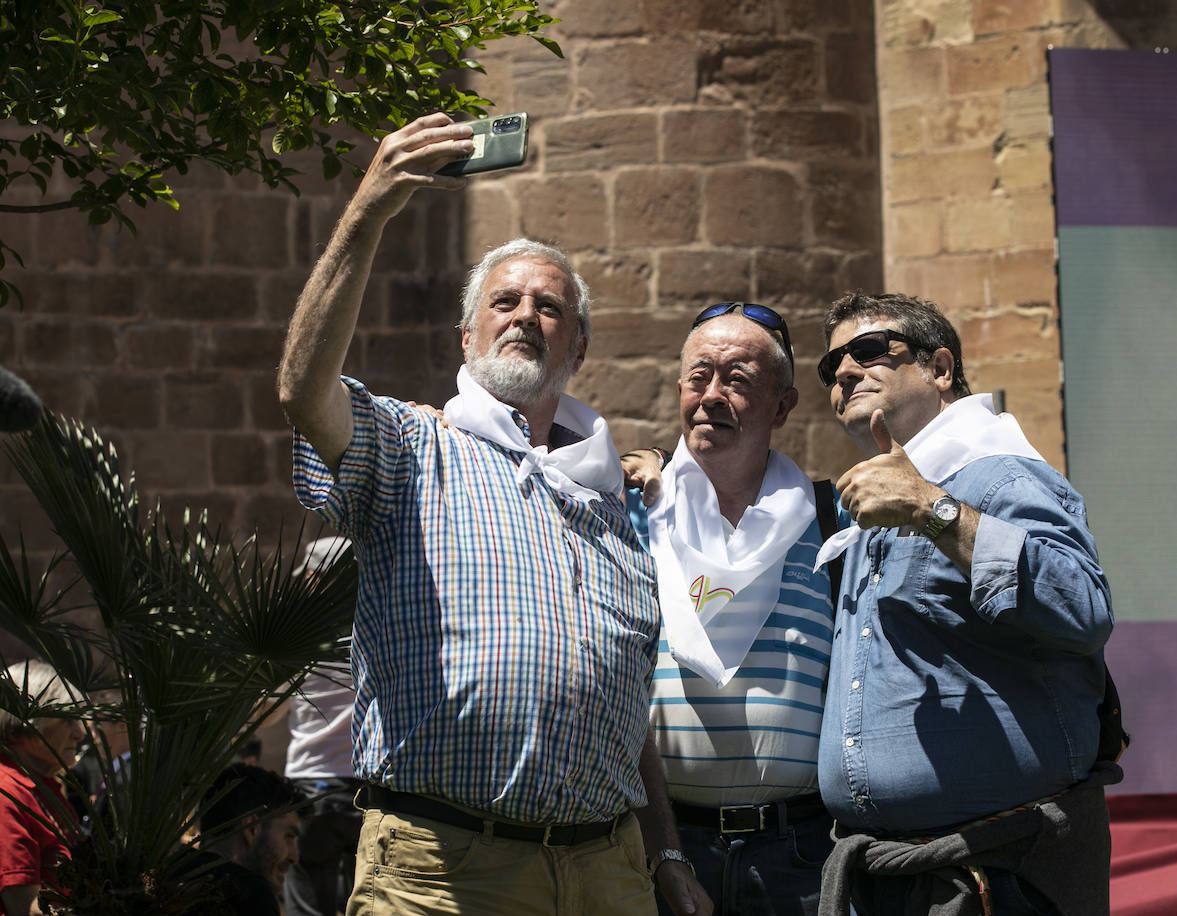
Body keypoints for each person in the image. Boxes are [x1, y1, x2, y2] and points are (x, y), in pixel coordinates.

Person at [276, 112, 709, 916]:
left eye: (549, 307)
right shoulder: (411, 451)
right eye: (504, 301)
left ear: (577, 348)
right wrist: (366, 214)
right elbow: (304, 391)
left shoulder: (615, 500)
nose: (524, 315)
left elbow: (622, 708)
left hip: (608, 874)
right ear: (466, 336)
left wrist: (668, 855)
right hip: (443, 872)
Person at [811, 292, 1117, 916]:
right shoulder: (873, 500)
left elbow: (1085, 609)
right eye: (831, 366)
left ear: (940, 369)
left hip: (998, 874)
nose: (843, 371)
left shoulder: (1000, 477)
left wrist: (933, 508)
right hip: (889, 876)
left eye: (869, 351)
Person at [622, 302, 843, 916]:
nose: (712, 395)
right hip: (660, 850)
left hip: (799, 856)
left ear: (783, 405)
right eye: (699, 376)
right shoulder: (628, 516)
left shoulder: (830, 524)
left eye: (738, 379)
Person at [280, 536, 359, 916]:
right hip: (366, 789)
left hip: (313, 783)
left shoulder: (302, 635)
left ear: (317, 575)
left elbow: (270, 708)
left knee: (307, 897)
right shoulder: (375, 629)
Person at [0, 660, 83, 916]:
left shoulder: (41, 785)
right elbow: (25, 906)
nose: (80, 732)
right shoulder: (6, 793)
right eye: (67, 720)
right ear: (26, 724)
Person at [193, 763, 304, 915]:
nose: (294, 857)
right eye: (288, 836)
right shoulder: (252, 897)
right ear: (252, 828)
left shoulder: (165, 881)